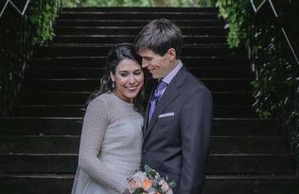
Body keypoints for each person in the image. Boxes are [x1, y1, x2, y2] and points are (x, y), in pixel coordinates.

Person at [136, 19, 213, 194]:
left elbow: (195, 159)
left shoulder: (195, 94)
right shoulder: (154, 86)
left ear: (170, 54)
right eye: (142, 58)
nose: (143, 65)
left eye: (149, 58)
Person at [71, 43, 147, 194]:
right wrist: (124, 187)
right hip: (107, 188)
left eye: (137, 73)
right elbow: (86, 159)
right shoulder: (102, 105)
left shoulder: (140, 105)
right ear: (113, 75)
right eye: (124, 74)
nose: (132, 81)